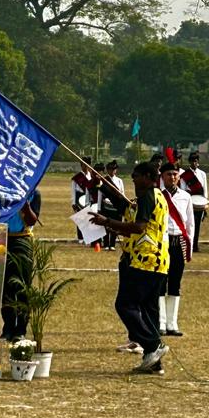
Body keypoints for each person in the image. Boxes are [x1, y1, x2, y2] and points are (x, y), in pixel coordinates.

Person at [91, 161, 170, 375]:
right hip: (157, 263)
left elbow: (138, 226)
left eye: (136, 176)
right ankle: (153, 362)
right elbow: (126, 208)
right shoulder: (153, 197)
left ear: (148, 177)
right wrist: (102, 185)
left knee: (125, 305)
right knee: (148, 311)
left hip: (144, 261)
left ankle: (153, 345)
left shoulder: (148, 196)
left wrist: (107, 221)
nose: (133, 179)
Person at [158, 161, 194, 337]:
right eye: (168, 174)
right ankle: (161, 322)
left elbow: (190, 224)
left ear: (179, 177)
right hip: (162, 242)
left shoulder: (186, 196)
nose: (172, 177)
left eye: (175, 174)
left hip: (179, 242)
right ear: (162, 177)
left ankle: (172, 323)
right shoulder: (157, 195)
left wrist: (189, 247)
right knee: (160, 283)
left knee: (175, 283)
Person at [2, 192, 42, 342]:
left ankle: (20, 329)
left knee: (22, 286)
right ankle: (8, 327)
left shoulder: (33, 193)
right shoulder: (1, 191)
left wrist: (24, 205)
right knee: (5, 287)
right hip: (3, 239)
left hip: (22, 239)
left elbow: (32, 220)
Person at [181, 151, 208, 253]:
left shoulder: (202, 174)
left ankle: (195, 245)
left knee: (197, 225)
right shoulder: (185, 175)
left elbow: (205, 189)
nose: (194, 163)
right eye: (192, 161)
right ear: (189, 162)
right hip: (190, 202)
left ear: (198, 162)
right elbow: (183, 190)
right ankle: (189, 245)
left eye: (196, 161)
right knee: (189, 224)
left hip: (200, 202)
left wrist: (205, 203)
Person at [70, 158, 98, 242]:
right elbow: (73, 191)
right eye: (84, 165)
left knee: (90, 218)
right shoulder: (77, 177)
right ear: (81, 166)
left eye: (87, 165)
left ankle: (89, 236)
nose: (86, 167)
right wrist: (73, 202)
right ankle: (80, 237)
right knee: (81, 218)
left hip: (90, 198)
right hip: (79, 197)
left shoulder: (91, 176)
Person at [99, 161, 125, 250]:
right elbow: (100, 194)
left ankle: (112, 244)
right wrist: (99, 207)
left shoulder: (119, 181)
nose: (112, 171)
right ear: (107, 170)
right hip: (106, 206)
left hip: (116, 206)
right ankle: (106, 243)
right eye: (110, 169)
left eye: (114, 169)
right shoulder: (104, 180)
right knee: (106, 224)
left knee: (115, 225)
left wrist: (122, 207)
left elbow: (122, 194)